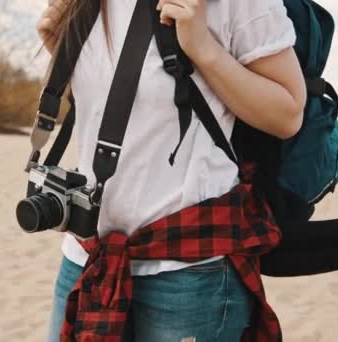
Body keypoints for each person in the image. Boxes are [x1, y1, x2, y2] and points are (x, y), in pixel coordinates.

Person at [37, 0, 306, 341]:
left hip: (188, 274)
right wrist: (61, 51)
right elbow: (115, 108)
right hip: (86, 258)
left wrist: (203, 48)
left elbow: (288, 115)